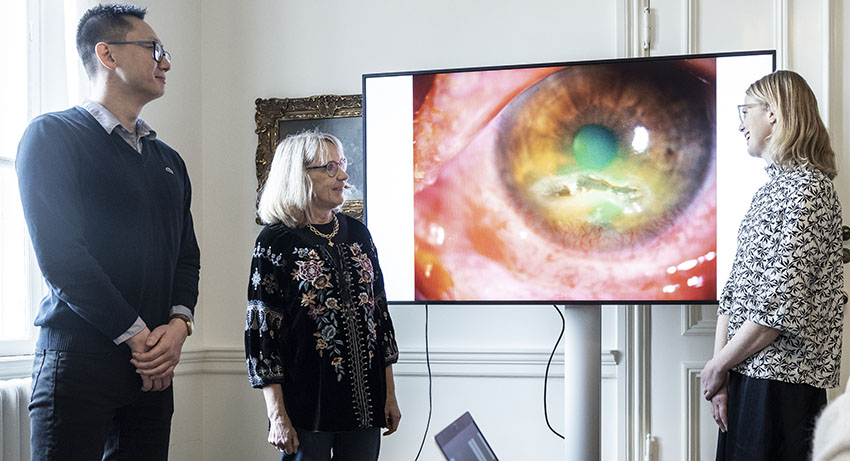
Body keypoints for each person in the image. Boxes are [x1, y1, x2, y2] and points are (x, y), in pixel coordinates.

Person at [16, 4, 199, 460]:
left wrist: (178, 327)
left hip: (152, 369)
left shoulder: (170, 161)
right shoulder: (52, 136)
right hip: (78, 362)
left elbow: (186, 256)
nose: (166, 62)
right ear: (107, 55)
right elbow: (62, 258)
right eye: (154, 49)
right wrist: (139, 337)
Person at [700, 70, 844, 461]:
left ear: (774, 113)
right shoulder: (768, 192)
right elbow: (733, 293)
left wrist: (719, 365)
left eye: (745, 111)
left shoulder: (811, 191)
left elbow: (777, 308)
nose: (740, 124)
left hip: (783, 386)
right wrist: (720, 374)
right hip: (743, 373)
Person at [245, 131, 401, 460]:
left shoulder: (358, 233)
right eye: (330, 167)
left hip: (366, 405)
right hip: (306, 410)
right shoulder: (275, 241)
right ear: (299, 175)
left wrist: (389, 394)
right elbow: (263, 333)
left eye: (341, 164)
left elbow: (380, 318)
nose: (343, 175)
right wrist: (276, 415)